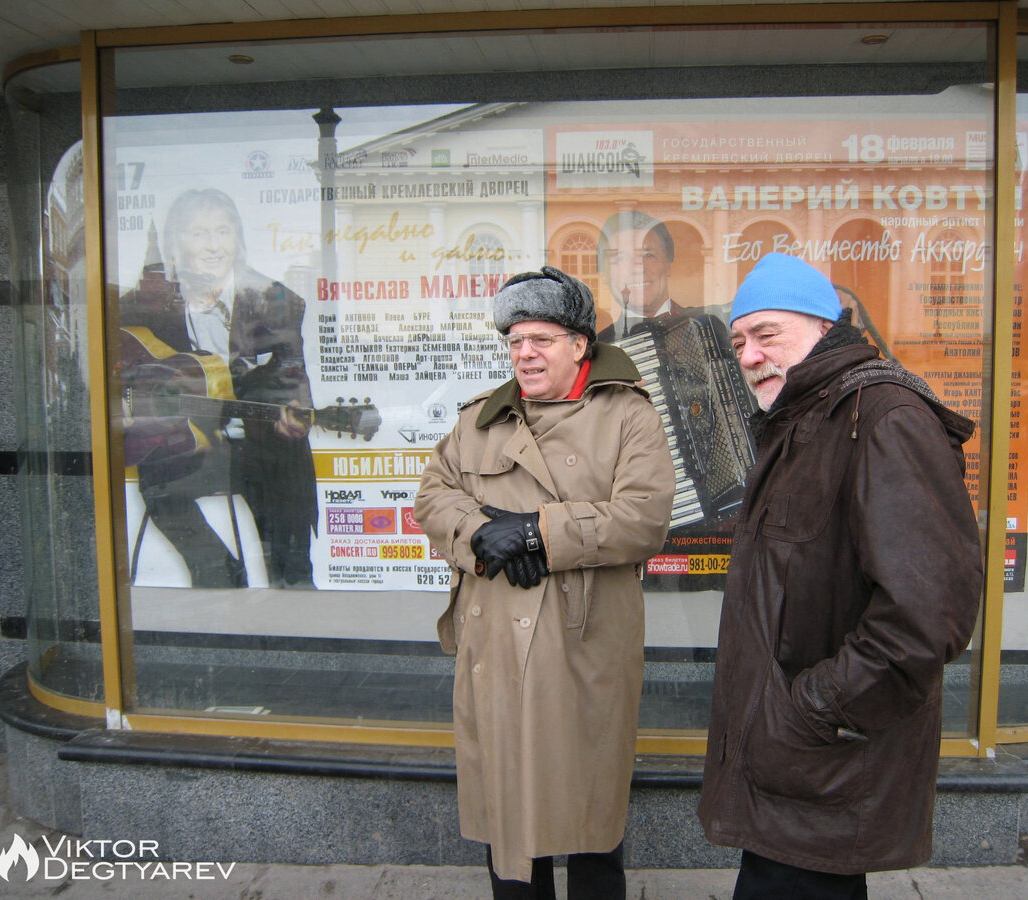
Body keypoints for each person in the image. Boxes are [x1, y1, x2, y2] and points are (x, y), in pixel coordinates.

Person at [697, 253, 983, 898]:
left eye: (768, 334)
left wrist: (818, 709)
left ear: (826, 329)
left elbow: (927, 611)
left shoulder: (882, 416)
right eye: (739, 340)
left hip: (823, 751)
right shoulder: (804, 418)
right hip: (793, 754)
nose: (748, 355)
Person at [414, 266, 675, 898]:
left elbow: (643, 519)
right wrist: (481, 534)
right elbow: (432, 494)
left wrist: (536, 534)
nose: (524, 353)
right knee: (510, 814)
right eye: (514, 341)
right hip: (495, 645)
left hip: (581, 644)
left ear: (580, 344)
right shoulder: (481, 417)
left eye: (542, 339)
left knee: (587, 811)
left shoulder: (628, 415)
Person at [120, 187, 317, 588]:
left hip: (259, 442)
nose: (213, 246)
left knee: (283, 485)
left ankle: (293, 586)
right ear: (177, 244)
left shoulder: (276, 301)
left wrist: (295, 411)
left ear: (238, 240)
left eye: (223, 232)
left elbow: (291, 371)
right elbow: (112, 343)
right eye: (199, 234)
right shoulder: (149, 303)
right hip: (189, 443)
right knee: (158, 482)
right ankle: (218, 574)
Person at [595, 210, 688, 341]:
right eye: (621, 259)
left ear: (668, 266)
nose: (637, 269)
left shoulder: (704, 324)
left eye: (648, 255)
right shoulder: (600, 347)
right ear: (604, 274)